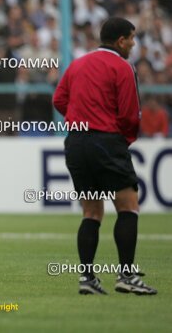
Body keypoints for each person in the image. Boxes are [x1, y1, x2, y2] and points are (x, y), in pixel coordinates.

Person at [53, 17, 157, 295]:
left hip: (76, 143)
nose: (134, 45)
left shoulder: (77, 64)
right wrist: (121, 140)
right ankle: (126, 275)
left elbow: (59, 100)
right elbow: (128, 114)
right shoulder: (123, 67)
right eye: (132, 39)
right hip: (106, 141)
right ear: (120, 40)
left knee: (92, 212)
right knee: (128, 206)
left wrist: (79, 120)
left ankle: (87, 279)